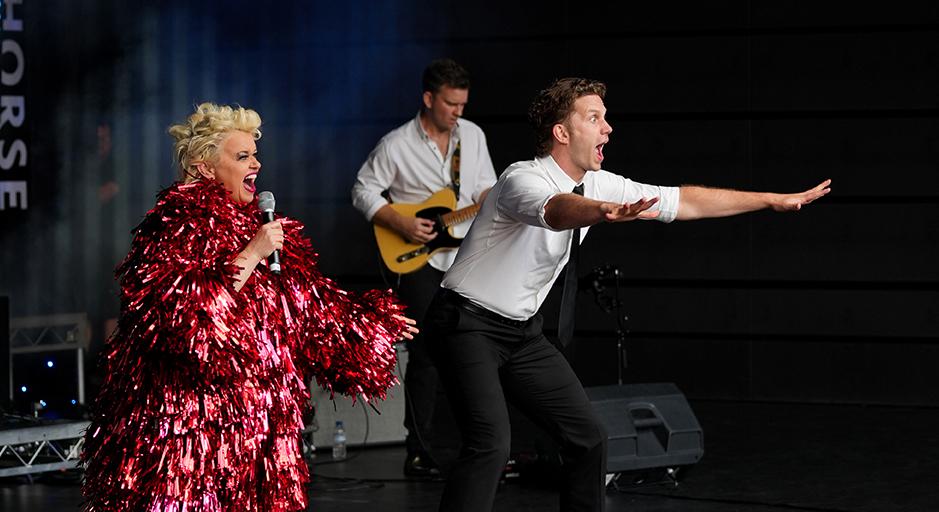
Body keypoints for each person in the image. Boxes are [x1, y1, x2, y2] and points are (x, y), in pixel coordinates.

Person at [424, 77, 831, 512]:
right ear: (562, 132)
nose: (608, 128)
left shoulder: (600, 184)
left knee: (589, 438)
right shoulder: (520, 179)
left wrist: (768, 200)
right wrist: (601, 212)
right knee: (490, 444)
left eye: (605, 117)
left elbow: (683, 202)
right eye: (594, 118)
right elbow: (554, 210)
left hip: (521, 334)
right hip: (466, 323)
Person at [80, 103, 416, 512]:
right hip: (193, 430)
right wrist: (253, 252)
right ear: (205, 167)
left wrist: (370, 327)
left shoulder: (258, 225)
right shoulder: (172, 226)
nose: (256, 163)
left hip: (260, 428)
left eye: (255, 154)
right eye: (242, 156)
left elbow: (307, 305)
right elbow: (187, 319)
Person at [351, 58, 497, 476]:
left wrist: (493, 197)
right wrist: (398, 220)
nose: (458, 112)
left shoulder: (473, 135)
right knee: (428, 354)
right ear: (429, 98)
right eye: (451, 104)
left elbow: (483, 187)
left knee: (473, 346)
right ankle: (420, 450)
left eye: (463, 104)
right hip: (417, 259)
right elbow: (362, 189)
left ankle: (478, 447)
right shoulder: (396, 144)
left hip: (464, 254)